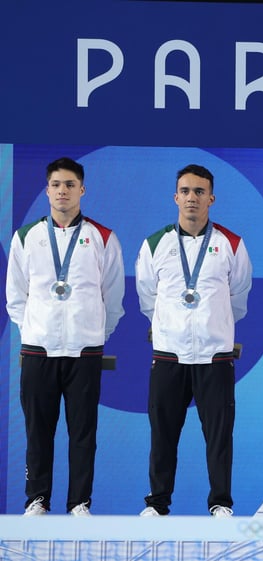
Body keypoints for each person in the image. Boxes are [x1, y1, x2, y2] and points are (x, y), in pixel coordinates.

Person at [5, 157, 125, 516]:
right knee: (37, 430)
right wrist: (34, 333)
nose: (63, 191)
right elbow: (15, 296)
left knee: (83, 432)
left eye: (70, 184)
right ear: (47, 190)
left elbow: (114, 297)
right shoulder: (26, 238)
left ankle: (79, 502)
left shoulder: (102, 238)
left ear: (82, 190)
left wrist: (92, 335)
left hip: (84, 351)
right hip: (38, 349)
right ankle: (37, 499)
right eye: (56, 184)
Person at [135, 164, 252, 517]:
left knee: (219, 437)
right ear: (175, 197)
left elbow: (238, 298)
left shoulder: (231, 244)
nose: (192, 198)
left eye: (199, 192)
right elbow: (147, 297)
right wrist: (173, 326)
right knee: (163, 434)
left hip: (214, 356)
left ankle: (220, 502)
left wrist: (210, 324)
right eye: (185, 191)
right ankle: (157, 502)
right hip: (169, 354)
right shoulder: (155, 244)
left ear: (211, 199)